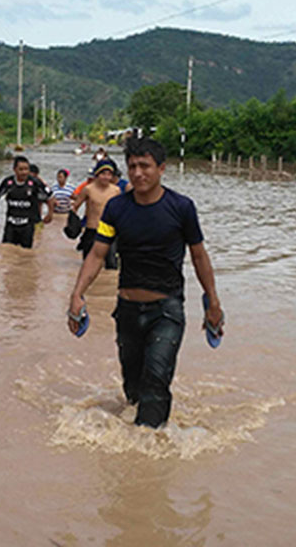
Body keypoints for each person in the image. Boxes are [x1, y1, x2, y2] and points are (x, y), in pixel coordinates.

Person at [66, 136, 225, 428]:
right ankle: (138, 446)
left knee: (155, 381)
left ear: (161, 168)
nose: (138, 173)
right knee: (133, 388)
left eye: (145, 166)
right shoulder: (116, 209)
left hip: (166, 311)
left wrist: (212, 302)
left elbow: (200, 257)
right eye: (132, 166)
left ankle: (149, 456)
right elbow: (98, 253)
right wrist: (77, 294)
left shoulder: (182, 208)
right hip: (126, 311)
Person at [71, 158, 122, 269]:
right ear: (97, 174)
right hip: (92, 230)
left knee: (111, 266)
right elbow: (75, 207)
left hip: (110, 231)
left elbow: (121, 210)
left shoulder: (116, 191)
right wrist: (74, 224)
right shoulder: (88, 189)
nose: (106, 177)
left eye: (109, 174)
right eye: (103, 174)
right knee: (88, 264)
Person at [0, 156, 46, 248]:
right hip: (11, 225)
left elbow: (50, 197)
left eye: (26, 169)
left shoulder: (35, 183)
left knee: (26, 254)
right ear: (14, 170)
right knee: (7, 251)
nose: (24, 172)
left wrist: (49, 215)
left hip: (27, 225)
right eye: (21, 169)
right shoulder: (8, 182)